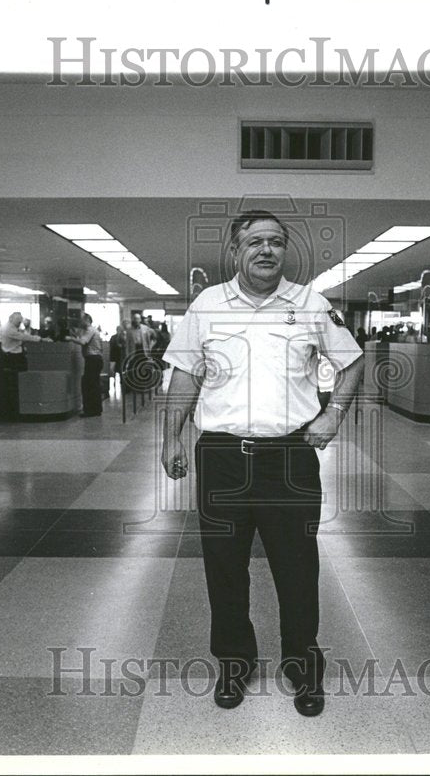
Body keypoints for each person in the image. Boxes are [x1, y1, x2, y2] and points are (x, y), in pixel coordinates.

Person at [161, 210, 363, 718]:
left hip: (289, 459)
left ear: (285, 250)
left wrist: (332, 415)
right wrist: (172, 439)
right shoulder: (207, 306)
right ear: (235, 251)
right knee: (224, 569)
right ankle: (235, 662)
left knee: (297, 569)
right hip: (223, 458)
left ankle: (301, 664)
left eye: (276, 241)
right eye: (255, 242)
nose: (266, 250)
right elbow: (184, 375)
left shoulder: (310, 304)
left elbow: (353, 360)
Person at [0, 310, 46, 420]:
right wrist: (40, 339)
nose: (20, 323)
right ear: (11, 319)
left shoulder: (8, 327)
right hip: (13, 357)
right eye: (18, 321)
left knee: (15, 383)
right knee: (17, 383)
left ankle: (16, 408)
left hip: (10, 356)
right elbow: (24, 337)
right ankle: (16, 410)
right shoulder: (9, 329)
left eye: (20, 321)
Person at [72, 313, 105, 417]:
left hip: (92, 359)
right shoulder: (92, 330)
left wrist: (70, 338)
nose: (80, 322)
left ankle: (90, 410)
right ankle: (96, 409)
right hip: (95, 359)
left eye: (81, 320)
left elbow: (83, 342)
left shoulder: (90, 330)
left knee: (89, 385)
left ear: (87, 320)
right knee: (93, 385)